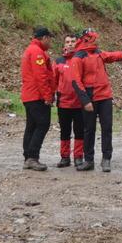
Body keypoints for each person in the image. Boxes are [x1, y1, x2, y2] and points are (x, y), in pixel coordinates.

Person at [69, 29, 122, 172]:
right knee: (89, 130)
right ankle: (89, 160)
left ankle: (106, 159)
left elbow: (114, 55)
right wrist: (85, 101)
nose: (96, 40)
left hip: (105, 97)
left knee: (106, 128)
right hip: (90, 98)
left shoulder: (98, 53)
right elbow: (76, 81)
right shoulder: (78, 57)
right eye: (94, 38)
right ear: (87, 39)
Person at [20, 27, 56, 171]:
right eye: (50, 38)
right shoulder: (37, 52)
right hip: (36, 96)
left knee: (32, 126)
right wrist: (48, 96)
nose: (50, 41)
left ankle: (28, 157)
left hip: (30, 95)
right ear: (45, 38)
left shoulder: (31, 50)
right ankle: (32, 158)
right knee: (42, 124)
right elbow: (41, 77)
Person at [54, 34, 85, 168]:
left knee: (79, 131)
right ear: (64, 44)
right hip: (63, 102)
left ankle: (78, 157)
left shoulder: (82, 59)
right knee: (64, 131)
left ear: (77, 43)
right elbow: (53, 80)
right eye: (68, 42)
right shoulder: (59, 60)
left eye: (73, 41)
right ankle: (64, 157)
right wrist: (51, 95)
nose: (70, 44)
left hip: (79, 103)